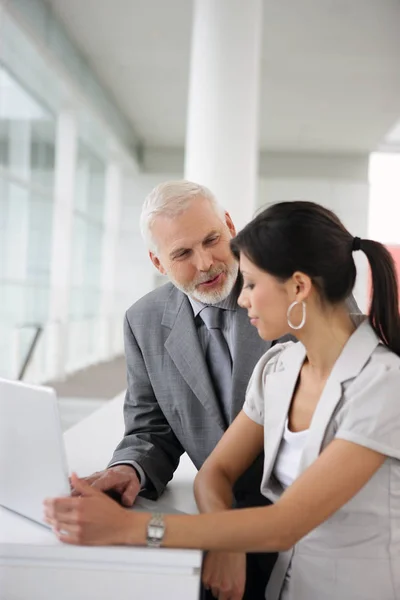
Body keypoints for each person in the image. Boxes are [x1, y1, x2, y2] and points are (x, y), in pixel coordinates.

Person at [46, 200, 400, 600]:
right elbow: (214, 472)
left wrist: (127, 528)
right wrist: (225, 539)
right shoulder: (278, 367)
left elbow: (284, 524)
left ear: (299, 287)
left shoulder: (385, 385)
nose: (242, 299)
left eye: (250, 283)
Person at [73, 180, 288, 600]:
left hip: (297, 521)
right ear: (157, 261)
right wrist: (129, 469)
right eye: (182, 254)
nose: (206, 263)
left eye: (212, 240)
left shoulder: (286, 293)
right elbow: (151, 428)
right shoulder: (144, 320)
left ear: (230, 227)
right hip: (211, 520)